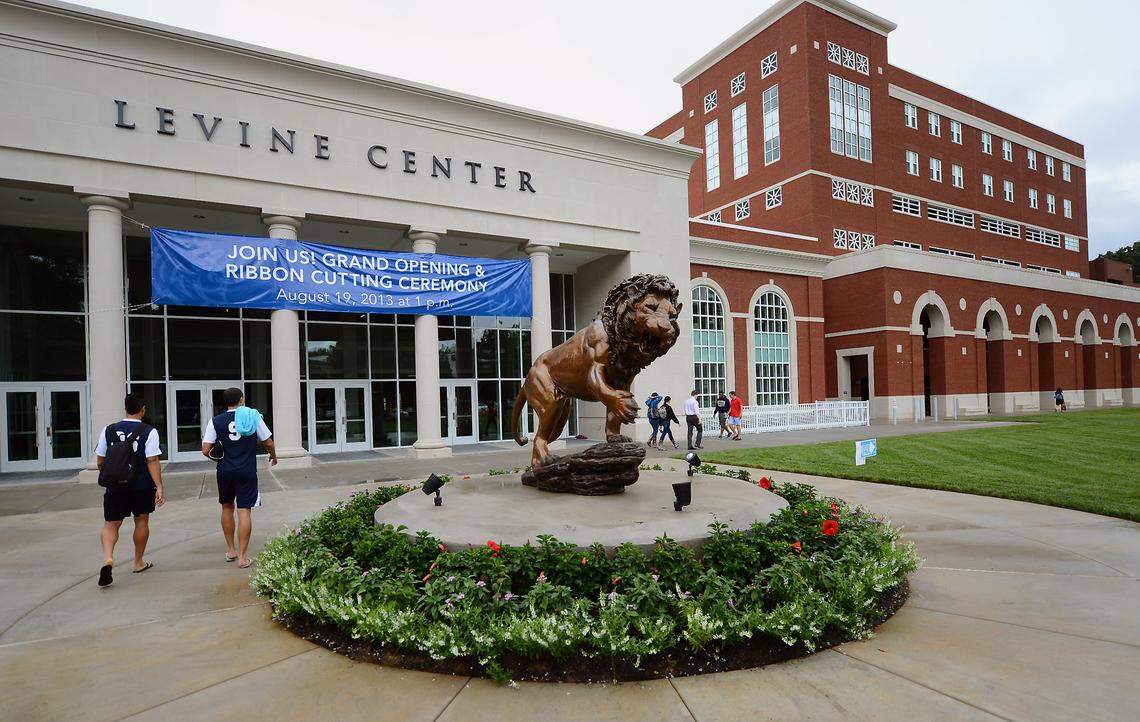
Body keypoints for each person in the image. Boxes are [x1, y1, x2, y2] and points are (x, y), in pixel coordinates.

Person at [95, 392, 165, 587]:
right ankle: (138, 561)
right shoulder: (149, 431)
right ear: (143, 409)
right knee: (141, 520)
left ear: (125, 408)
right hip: (141, 484)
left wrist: (111, 474)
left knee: (111, 524)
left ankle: (108, 558)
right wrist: (159, 486)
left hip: (115, 486)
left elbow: (101, 460)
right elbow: (152, 460)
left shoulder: (108, 430)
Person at [202, 387, 277, 568]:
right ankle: (243, 557)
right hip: (247, 470)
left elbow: (205, 449)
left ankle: (231, 550)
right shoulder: (253, 417)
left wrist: (218, 456)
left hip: (225, 471)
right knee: (244, 510)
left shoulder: (216, 421)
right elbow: (267, 441)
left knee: (227, 508)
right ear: (241, 399)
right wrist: (273, 456)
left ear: (225, 402)